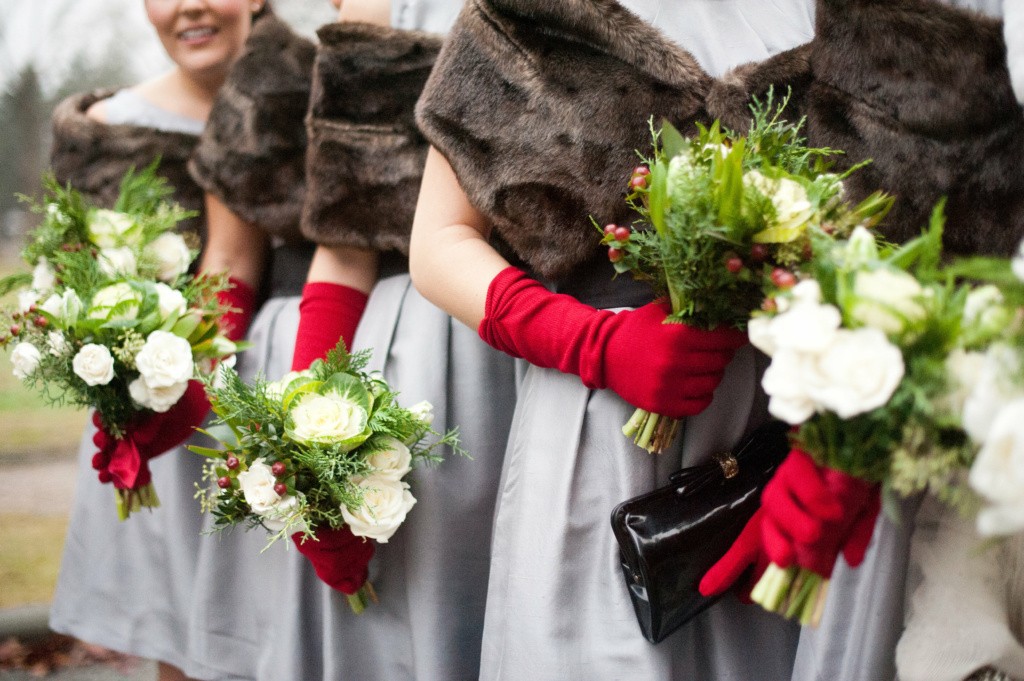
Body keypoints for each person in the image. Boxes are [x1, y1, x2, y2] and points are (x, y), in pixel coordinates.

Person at [411, 1, 818, 678]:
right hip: (601, 420)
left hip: (787, 427)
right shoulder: (524, 17)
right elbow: (438, 243)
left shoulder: (831, 15)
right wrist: (596, 343)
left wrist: (830, 456)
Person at [182, 0, 518, 678]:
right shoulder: (364, 19)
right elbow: (327, 246)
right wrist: (303, 446)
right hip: (416, 338)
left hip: (536, 336)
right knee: (416, 615)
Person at [47, 2, 266, 681]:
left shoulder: (312, 101)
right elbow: (69, 273)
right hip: (159, 420)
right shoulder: (105, 133)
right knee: (186, 640)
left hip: (277, 392)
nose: (189, 6)